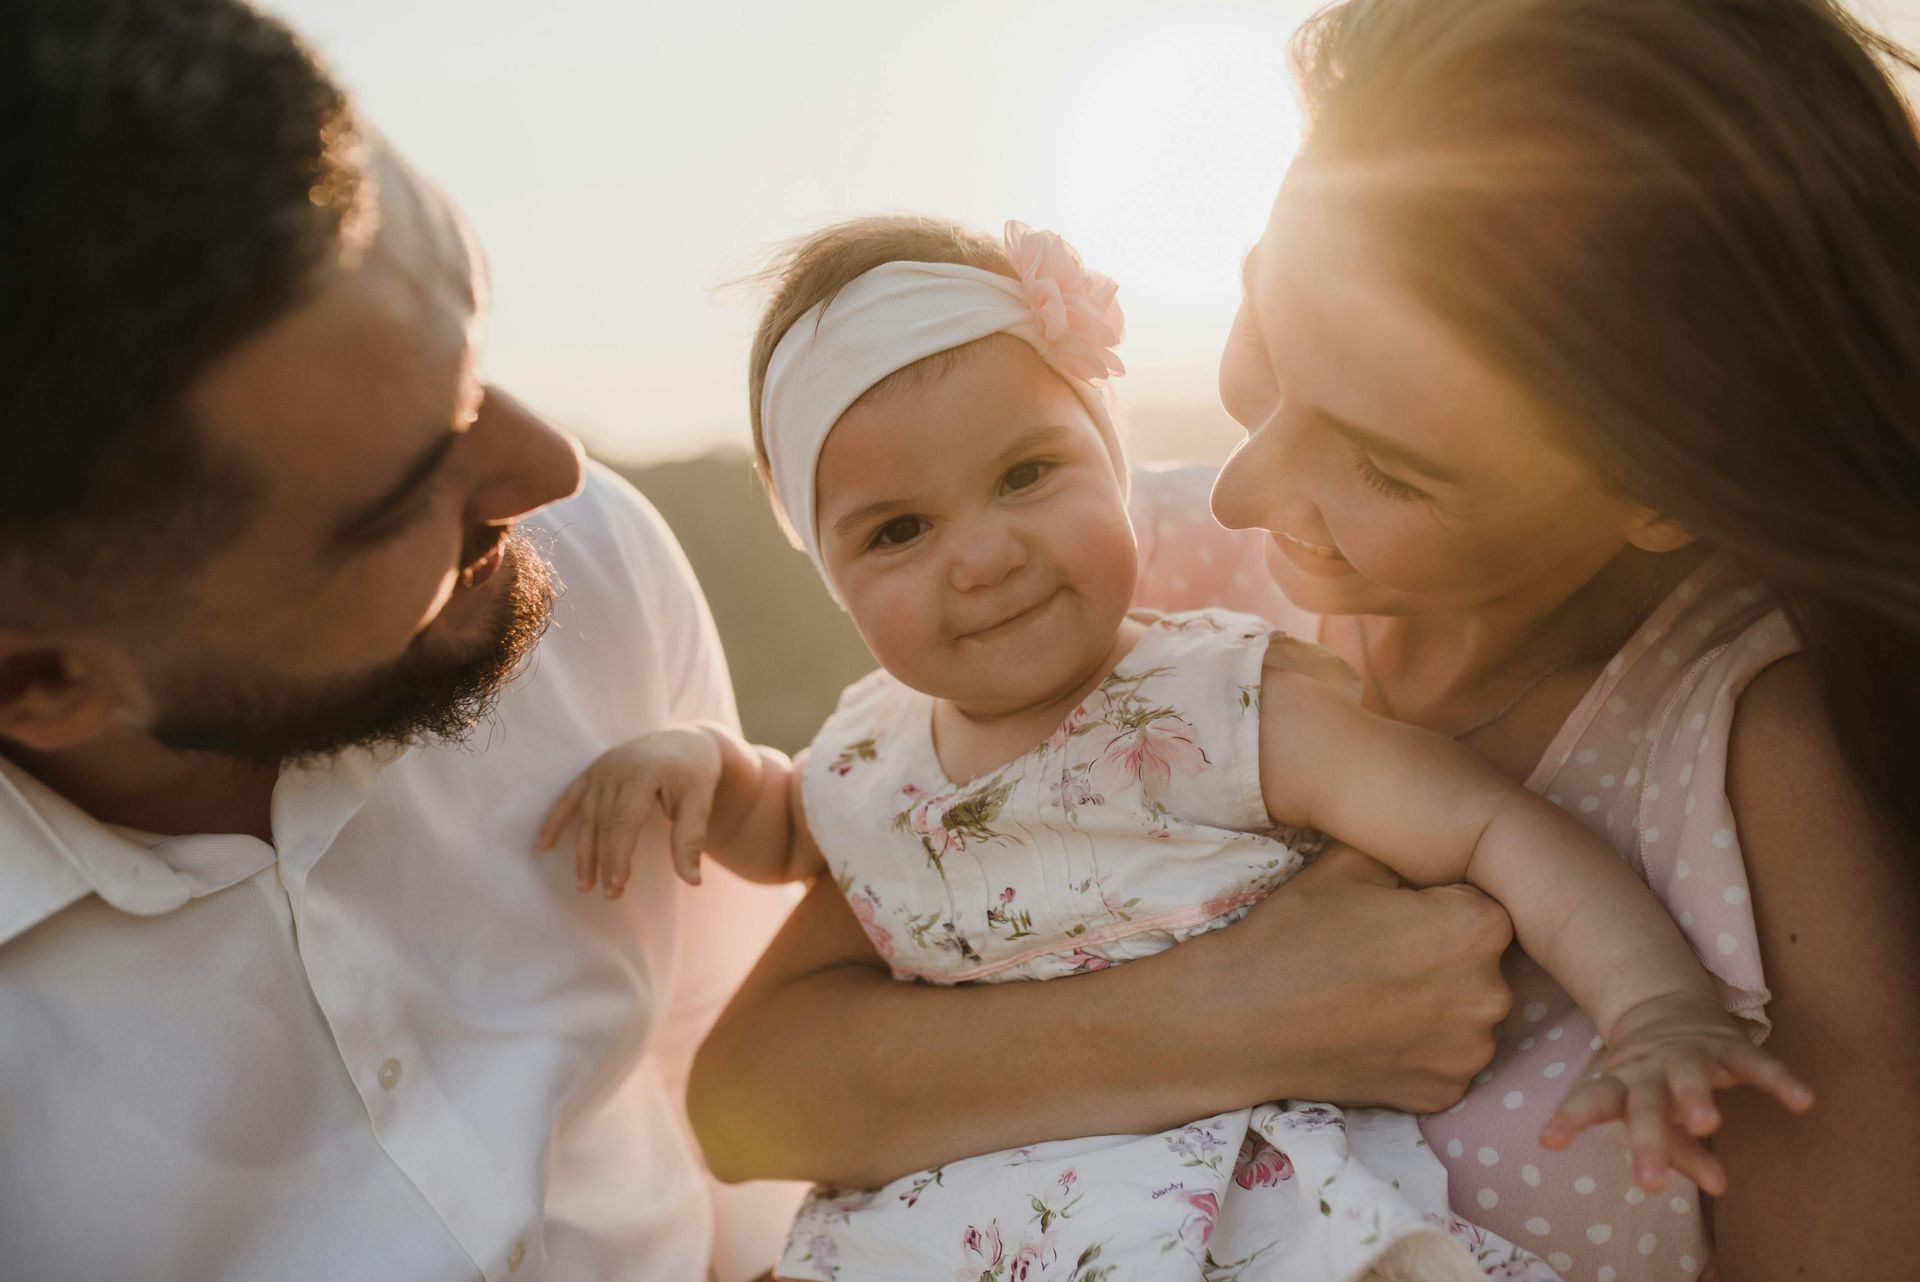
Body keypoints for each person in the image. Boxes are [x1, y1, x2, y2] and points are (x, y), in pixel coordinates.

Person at [687, 3, 1920, 1279]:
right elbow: (752, 1093)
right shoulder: (1079, 574)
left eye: (1385, 465)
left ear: (1664, 491)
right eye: (1263, 328)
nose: (1237, 489)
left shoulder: (1758, 764)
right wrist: (1232, 1016)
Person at [543, 215, 1807, 1282]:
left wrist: (1651, 1002)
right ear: (830, 578)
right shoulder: (871, 749)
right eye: (898, 531)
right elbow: (801, 830)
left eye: (1029, 473)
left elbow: (1493, 828)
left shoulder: (1216, 696)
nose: (980, 554)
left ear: (1111, 460)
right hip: (944, 1237)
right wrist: (709, 774)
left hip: (1211, 1215)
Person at [0, 3, 794, 1277]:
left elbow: (748, 1059)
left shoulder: (583, 562)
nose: (549, 468)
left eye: (476, 348)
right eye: (399, 495)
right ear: (39, 679)